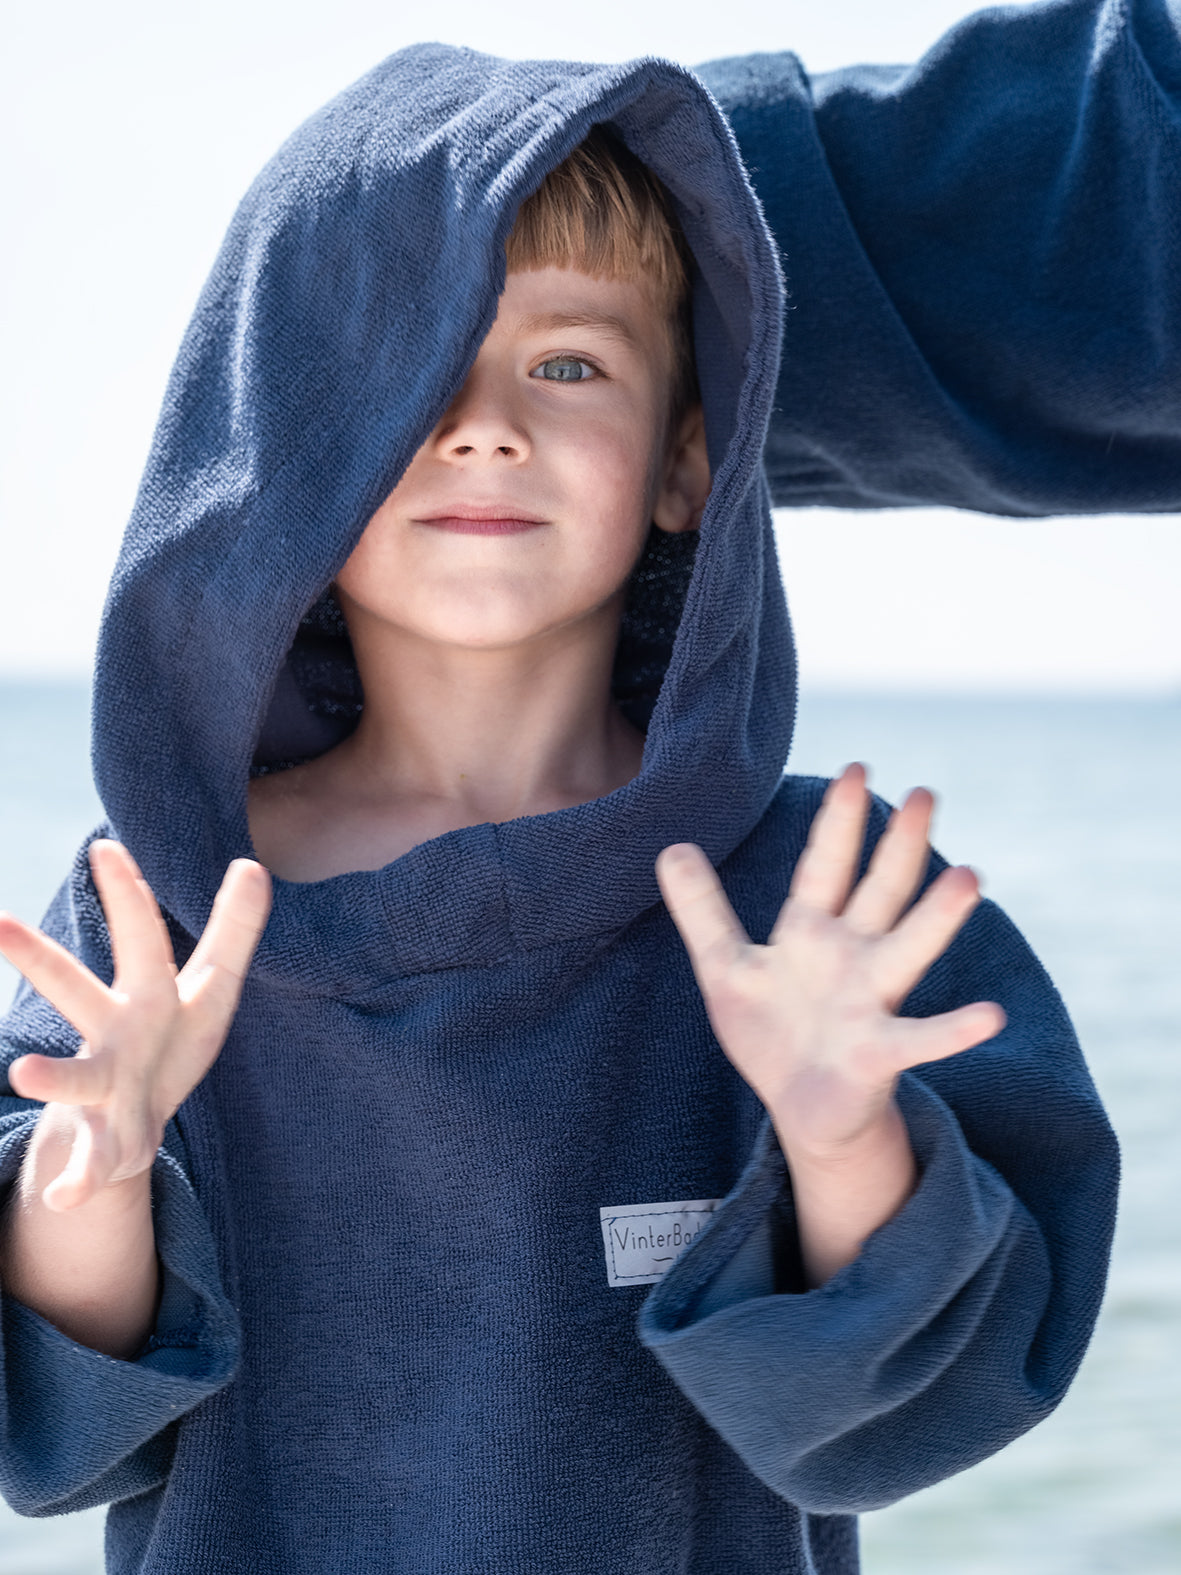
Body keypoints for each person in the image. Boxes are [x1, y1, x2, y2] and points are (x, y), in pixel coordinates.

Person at [2, 0, 1169, 1565]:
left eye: (564, 362)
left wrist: (837, 1143)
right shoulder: (161, 926)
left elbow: (904, 1419)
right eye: (412, 375)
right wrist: (101, 1169)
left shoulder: (820, 903)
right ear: (289, 455)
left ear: (687, 460)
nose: (484, 430)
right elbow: (52, 1438)